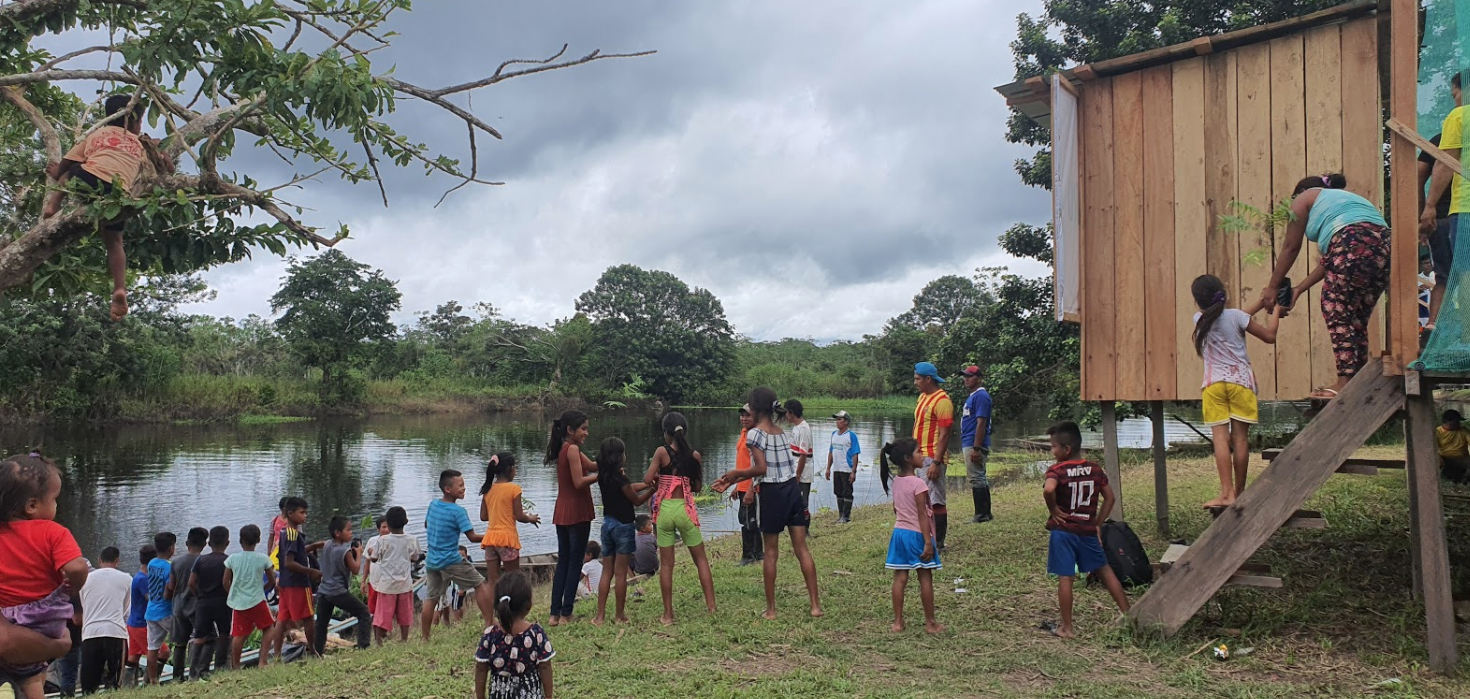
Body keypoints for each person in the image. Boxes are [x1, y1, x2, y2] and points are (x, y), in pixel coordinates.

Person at [41, 94, 173, 322]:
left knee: (68, 175)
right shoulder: (142, 144)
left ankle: (54, 203)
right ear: (134, 121)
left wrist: (57, 173)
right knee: (115, 242)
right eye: (140, 121)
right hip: (119, 196)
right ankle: (119, 289)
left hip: (89, 176)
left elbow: (68, 161)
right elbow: (167, 168)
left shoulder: (97, 134)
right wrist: (165, 155)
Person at [1260, 174, 1390, 400]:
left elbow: (1291, 247)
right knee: (1356, 317)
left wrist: (1272, 287)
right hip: (1384, 248)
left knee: (1334, 307)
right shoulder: (1344, 201)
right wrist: (1299, 288)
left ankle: (1345, 380)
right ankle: (1359, 377)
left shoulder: (1304, 198)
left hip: (1351, 241)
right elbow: (1332, 261)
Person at [712, 387, 823, 620]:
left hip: (772, 493)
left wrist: (734, 474)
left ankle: (771, 610)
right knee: (801, 548)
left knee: (771, 553)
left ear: (755, 408)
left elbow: (761, 469)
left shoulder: (754, 435)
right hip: (792, 489)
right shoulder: (782, 432)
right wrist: (738, 479)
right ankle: (815, 606)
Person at [0, 452, 88, 699]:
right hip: (43, 618)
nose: (57, 506)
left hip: (7, 614)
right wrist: (73, 587)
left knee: (26, 672)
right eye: (55, 499)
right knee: (33, 675)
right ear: (32, 506)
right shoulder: (53, 532)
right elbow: (77, 568)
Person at [1191, 274, 1282, 508]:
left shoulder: (1199, 319)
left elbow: (1235, 317)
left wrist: (1261, 302)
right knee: (1240, 438)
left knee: (1220, 440)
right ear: (1223, 292)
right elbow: (1268, 336)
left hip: (1213, 385)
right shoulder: (1237, 317)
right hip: (1241, 383)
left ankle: (1226, 494)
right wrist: (1276, 312)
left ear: (1197, 302)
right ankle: (1239, 494)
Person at [1041, 422, 1130, 639]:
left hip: (1063, 532)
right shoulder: (1095, 469)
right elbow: (1110, 497)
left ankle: (1067, 628)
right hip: (1087, 530)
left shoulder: (1057, 470)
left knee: (1066, 577)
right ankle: (1130, 615)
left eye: (1053, 447)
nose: (1052, 451)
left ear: (1066, 449)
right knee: (1105, 571)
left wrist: (1053, 509)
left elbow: (1049, 489)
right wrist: (1097, 523)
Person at [642, 412, 718, 624]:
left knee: (667, 565)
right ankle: (711, 607)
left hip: (665, 511)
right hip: (685, 509)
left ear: (666, 433)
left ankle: (667, 614)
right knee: (701, 560)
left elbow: (648, 479)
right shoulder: (694, 455)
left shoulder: (661, 452)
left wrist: (660, 480)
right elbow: (697, 486)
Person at [879, 439, 943, 634]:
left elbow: (896, 509)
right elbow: (922, 514)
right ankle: (930, 623)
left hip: (899, 534)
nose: (922, 455)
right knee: (925, 577)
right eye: (918, 452)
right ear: (908, 458)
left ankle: (898, 623)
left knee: (900, 578)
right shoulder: (919, 483)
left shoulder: (896, 481)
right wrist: (927, 542)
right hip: (917, 535)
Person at [422, 470, 492, 640]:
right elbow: (473, 537)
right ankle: (490, 624)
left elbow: (426, 524)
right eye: (460, 486)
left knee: (431, 598)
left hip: (432, 560)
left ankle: (425, 637)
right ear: (448, 489)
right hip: (451, 560)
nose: (464, 488)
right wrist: (493, 537)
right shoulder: (458, 511)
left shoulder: (433, 505)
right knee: (480, 584)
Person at [545, 411, 598, 627]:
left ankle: (554, 614)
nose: (586, 432)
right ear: (570, 430)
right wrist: (603, 478)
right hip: (577, 511)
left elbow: (593, 466)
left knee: (564, 562)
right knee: (574, 562)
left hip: (562, 511)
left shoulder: (565, 448)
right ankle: (567, 613)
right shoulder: (573, 449)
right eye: (583, 428)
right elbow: (579, 482)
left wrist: (610, 460)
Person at [1421, 72, 1465, 332]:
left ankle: (1437, 327)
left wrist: (1427, 207)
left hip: (1453, 212)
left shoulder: (1456, 121)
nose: (1454, 100)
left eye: (1455, 94)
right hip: (1452, 214)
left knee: (1449, 275)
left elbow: (1434, 168)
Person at [592, 438, 651, 626]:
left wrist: (645, 484)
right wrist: (654, 489)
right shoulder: (621, 479)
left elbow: (628, 489)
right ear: (620, 457)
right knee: (620, 575)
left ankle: (599, 616)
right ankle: (619, 616)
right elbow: (636, 500)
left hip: (607, 524)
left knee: (606, 572)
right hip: (623, 527)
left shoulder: (604, 476)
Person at [475, 572, 554, 699]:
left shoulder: (490, 635)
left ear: (496, 604)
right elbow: (545, 666)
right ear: (528, 605)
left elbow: (481, 668)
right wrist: (549, 696)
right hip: (529, 694)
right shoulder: (536, 633)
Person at [479, 453, 541, 595]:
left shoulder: (488, 489)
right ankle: (512, 613)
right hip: (507, 538)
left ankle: (492, 614)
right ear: (510, 469)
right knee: (513, 579)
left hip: (490, 539)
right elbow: (519, 516)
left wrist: (499, 512)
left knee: (492, 581)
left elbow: (483, 516)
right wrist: (530, 518)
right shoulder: (514, 489)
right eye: (515, 467)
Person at [313, 516, 371, 654]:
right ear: (338, 533)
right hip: (337, 591)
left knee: (321, 623)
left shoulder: (327, 544)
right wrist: (358, 553)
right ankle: (364, 646)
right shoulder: (345, 551)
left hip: (324, 591)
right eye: (348, 530)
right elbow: (356, 569)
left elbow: (321, 543)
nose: (351, 532)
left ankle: (316, 652)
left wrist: (309, 547)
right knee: (364, 612)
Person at [912, 362, 954, 550]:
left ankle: (939, 543)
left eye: (918, 379)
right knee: (922, 499)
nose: (915, 382)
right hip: (920, 456)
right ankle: (927, 537)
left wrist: (936, 462)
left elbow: (945, 434)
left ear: (928, 379)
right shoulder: (922, 397)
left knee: (936, 499)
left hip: (932, 456)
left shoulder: (942, 401)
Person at [222, 524, 277, 670]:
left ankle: (236, 665)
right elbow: (272, 580)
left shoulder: (232, 559)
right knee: (269, 627)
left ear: (240, 541)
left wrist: (232, 593)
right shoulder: (263, 558)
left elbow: (225, 581)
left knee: (238, 634)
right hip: (257, 600)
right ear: (259, 540)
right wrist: (263, 589)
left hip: (239, 602)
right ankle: (262, 660)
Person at [271, 499, 320, 658]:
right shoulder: (293, 534)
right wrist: (311, 571)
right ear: (290, 514)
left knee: (282, 619)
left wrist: (312, 547)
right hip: (298, 583)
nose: (305, 516)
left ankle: (277, 655)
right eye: (301, 512)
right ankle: (313, 651)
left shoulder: (285, 532)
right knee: (308, 617)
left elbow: (293, 553)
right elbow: (289, 562)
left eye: (306, 512)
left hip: (285, 582)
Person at [78, 547, 130, 694]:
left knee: (89, 682)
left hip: (90, 632)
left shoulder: (85, 579)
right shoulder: (126, 578)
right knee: (115, 681)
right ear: (117, 561)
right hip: (115, 631)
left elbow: (84, 604)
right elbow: (125, 609)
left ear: (99, 561)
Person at [368, 506, 421, 645]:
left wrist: (370, 552)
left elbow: (374, 558)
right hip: (405, 583)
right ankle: (404, 639)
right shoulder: (412, 540)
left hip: (387, 584)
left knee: (382, 615)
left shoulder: (382, 540)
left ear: (388, 524)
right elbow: (415, 557)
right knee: (405, 614)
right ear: (406, 521)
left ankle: (378, 641)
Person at [187, 526, 230, 679]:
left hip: (203, 602)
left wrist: (198, 595)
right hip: (223, 601)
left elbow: (191, 582)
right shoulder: (227, 560)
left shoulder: (201, 560)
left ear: (209, 543)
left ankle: (194, 672)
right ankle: (220, 666)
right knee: (224, 634)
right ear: (228, 542)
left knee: (199, 636)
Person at [956, 367, 995, 524]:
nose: (966, 379)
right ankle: (986, 513)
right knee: (978, 477)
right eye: (965, 376)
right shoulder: (974, 396)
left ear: (979, 378)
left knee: (976, 477)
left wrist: (976, 448)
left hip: (974, 443)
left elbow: (981, 423)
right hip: (970, 441)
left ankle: (981, 514)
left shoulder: (981, 396)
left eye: (970, 376)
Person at [168, 527, 206, 681]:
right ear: (205, 545)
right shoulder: (203, 561)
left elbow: (171, 586)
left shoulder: (176, 562)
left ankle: (177, 677)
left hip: (179, 605)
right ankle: (194, 673)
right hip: (197, 605)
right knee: (200, 638)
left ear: (186, 543)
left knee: (180, 643)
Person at [732, 405, 763, 565]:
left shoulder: (756, 436)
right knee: (747, 519)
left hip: (752, 487)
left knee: (749, 521)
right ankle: (758, 553)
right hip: (742, 485)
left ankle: (749, 555)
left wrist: (751, 489)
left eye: (747, 416)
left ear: (756, 417)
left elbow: (758, 465)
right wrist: (736, 486)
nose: (744, 418)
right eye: (742, 415)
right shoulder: (744, 433)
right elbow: (742, 463)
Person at [142, 531, 175, 685]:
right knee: (186, 637)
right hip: (165, 611)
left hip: (151, 611)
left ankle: (153, 680)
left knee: (153, 647)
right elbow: (170, 588)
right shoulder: (170, 567)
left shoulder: (151, 563)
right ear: (171, 549)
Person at [124, 545, 156, 685]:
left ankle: (126, 686)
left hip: (133, 622)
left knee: (133, 657)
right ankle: (149, 683)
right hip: (141, 624)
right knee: (161, 652)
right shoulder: (143, 579)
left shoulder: (138, 576)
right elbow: (152, 600)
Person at [826, 410, 861, 524]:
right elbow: (831, 452)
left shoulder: (851, 436)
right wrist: (828, 468)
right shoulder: (834, 435)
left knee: (847, 491)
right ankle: (840, 515)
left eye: (839, 419)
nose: (837, 422)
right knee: (838, 491)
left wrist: (853, 471)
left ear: (846, 422)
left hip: (847, 468)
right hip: (836, 468)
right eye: (836, 419)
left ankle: (846, 516)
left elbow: (855, 454)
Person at [785, 400, 816, 508]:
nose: (785, 416)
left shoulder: (804, 429)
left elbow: (803, 454)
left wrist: (798, 475)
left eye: (786, 412)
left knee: (802, 502)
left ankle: (804, 523)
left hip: (803, 472)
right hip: (794, 469)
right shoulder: (795, 427)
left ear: (791, 413)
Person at [360, 516, 388, 621]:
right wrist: (363, 581)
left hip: (388, 583)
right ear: (378, 529)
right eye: (384, 527)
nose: (386, 530)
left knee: (386, 610)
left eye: (388, 527)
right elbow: (367, 563)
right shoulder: (372, 541)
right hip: (374, 582)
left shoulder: (393, 542)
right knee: (372, 609)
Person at [1438, 409, 1470, 484]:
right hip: (1445, 459)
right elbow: (1433, 449)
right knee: (1437, 461)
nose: (1459, 423)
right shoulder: (1437, 432)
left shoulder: (1463, 431)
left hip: (1462, 459)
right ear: (1448, 421)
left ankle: (1464, 480)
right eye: (1457, 421)